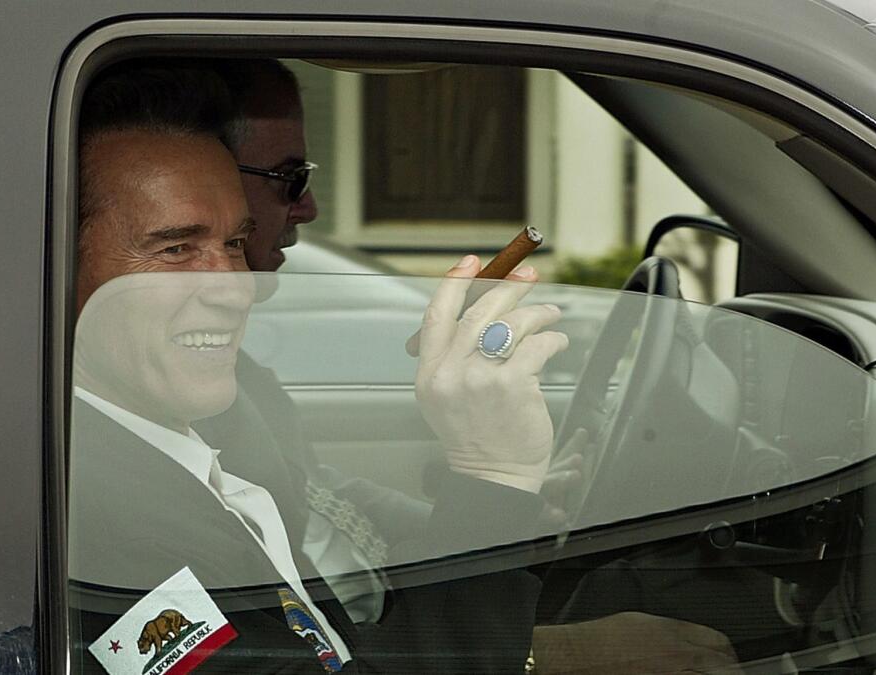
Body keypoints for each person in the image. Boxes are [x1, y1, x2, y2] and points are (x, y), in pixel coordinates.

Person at [205, 58, 742, 674]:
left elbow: (319, 497)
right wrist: (542, 651)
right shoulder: (139, 467)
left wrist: (509, 504)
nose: (309, 207)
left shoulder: (238, 385)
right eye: (290, 178)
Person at [68, 62, 568, 674]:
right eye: (175, 249)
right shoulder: (101, 530)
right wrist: (493, 475)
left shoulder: (160, 458)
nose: (234, 288)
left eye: (233, 245)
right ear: (53, 266)